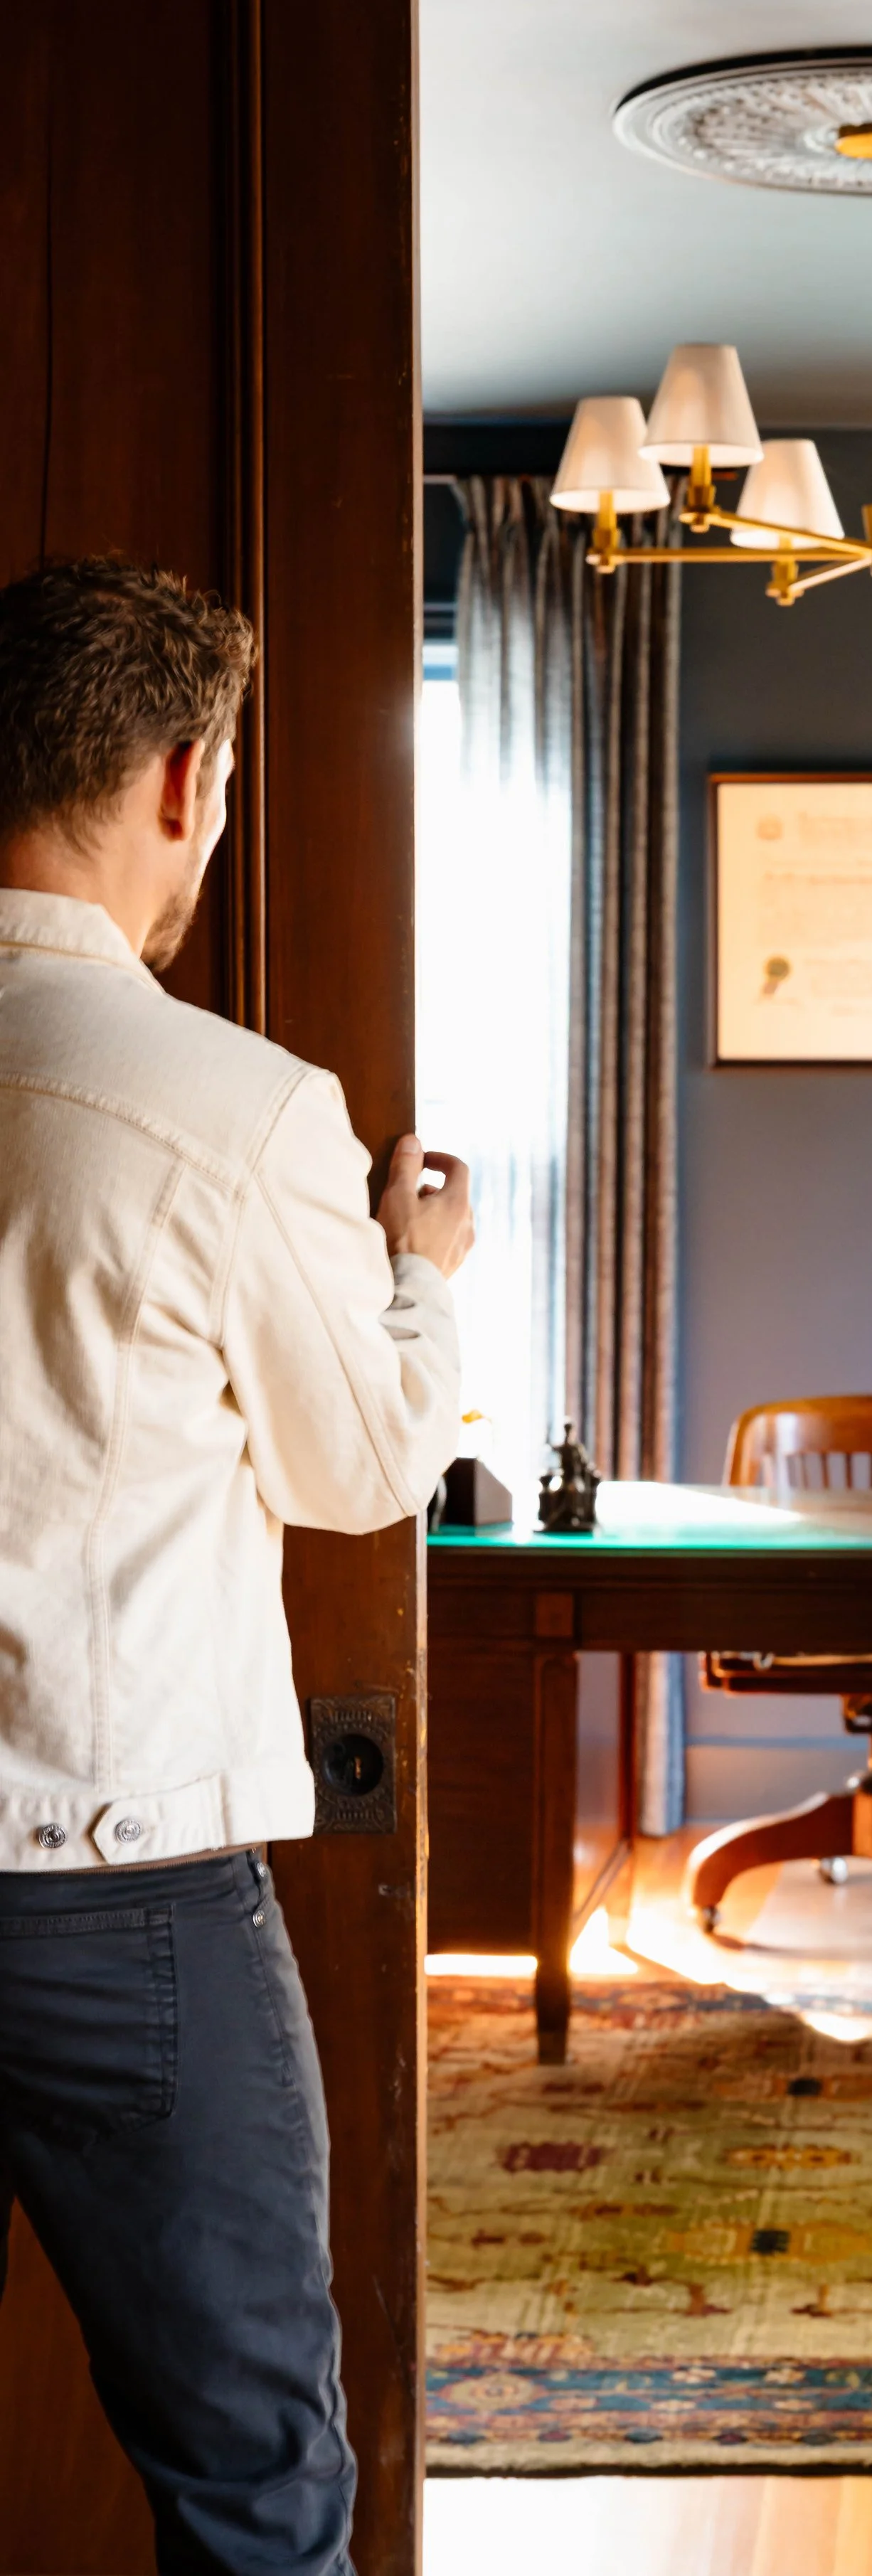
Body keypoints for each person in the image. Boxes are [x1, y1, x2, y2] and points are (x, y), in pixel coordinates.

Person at [0, 559, 473, 2573]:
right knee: (255, 2478)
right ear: (187, 776)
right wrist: (421, 1282)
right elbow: (366, 1461)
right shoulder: (233, 1102)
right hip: (123, 1891)